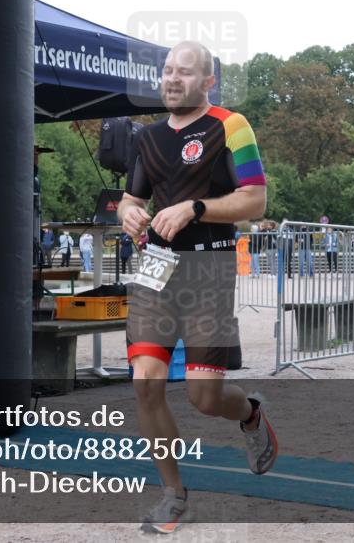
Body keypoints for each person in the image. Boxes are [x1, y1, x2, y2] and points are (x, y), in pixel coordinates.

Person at [117, 40, 277, 534]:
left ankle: (250, 414)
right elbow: (130, 199)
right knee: (146, 382)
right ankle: (174, 496)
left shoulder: (231, 125)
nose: (171, 78)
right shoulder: (147, 138)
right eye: (167, 70)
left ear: (208, 82)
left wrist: (196, 208)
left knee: (204, 398)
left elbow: (255, 201)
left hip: (209, 268)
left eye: (184, 72)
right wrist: (129, 215)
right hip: (155, 268)